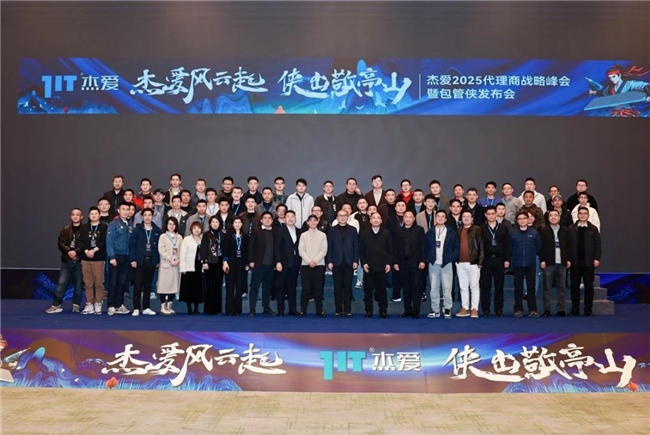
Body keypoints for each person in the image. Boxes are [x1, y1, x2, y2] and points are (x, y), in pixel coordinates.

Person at [46, 208, 85, 314]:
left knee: (79, 285)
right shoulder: (66, 229)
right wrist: (69, 251)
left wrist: (76, 252)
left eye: (77, 215)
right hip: (66, 260)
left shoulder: (84, 229)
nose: (75, 216)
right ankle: (56, 305)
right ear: (71, 216)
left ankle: (76, 305)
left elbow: (85, 244)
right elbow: (60, 242)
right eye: (73, 214)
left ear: (81, 217)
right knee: (61, 284)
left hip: (79, 260)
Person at [425, 210, 459, 319]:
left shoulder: (451, 232)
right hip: (433, 263)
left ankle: (447, 309)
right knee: (434, 288)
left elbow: (456, 248)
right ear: (435, 218)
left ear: (445, 219)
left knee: (447, 288)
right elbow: (425, 246)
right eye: (438, 216)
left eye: (442, 216)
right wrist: (429, 257)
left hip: (446, 263)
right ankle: (435, 310)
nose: (440, 218)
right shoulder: (430, 232)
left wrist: (450, 258)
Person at [568, 207, 602, 317]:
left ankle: (588, 309)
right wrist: (568, 259)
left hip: (589, 263)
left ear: (588, 215)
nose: (583, 215)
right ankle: (575, 309)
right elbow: (567, 245)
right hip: (575, 262)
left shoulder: (593, 229)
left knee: (588, 287)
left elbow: (598, 245)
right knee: (574, 287)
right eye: (581, 213)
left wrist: (596, 258)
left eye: (585, 213)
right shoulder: (571, 228)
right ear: (577, 215)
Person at [392, 211, 427, 319]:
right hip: (402, 264)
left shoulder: (419, 230)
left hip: (416, 263)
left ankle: (416, 311)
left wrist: (423, 260)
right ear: (403, 218)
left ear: (414, 218)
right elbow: (395, 248)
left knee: (416, 288)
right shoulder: (398, 231)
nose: (408, 219)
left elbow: (423, 246)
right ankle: (407, 310)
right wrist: (395, 262)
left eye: (410, 217)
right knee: (406, 288)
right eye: (406, 217)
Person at [479, 206, 511, 317]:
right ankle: (485, 309)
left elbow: (508, 245)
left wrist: (507, 259)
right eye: (489, 214)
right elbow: (479, 246)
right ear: (485, 215)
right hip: (486, 260)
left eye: (493, 213)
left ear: (496, 214)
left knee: (499, 286)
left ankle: (498, 309)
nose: (491, 216)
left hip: (500, 259)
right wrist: (480, 261)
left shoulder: (503, 228)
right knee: (485, 285)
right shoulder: (481, 228)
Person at [128, 208, 161, 316]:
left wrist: (157, 260)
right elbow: (132, 245)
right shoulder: (137, 230)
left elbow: (159, 247)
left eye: (149, 215)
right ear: (142, 217)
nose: (147, 217)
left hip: (151, 261)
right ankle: (136, 308)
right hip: (139, 261)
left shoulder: (157, 230)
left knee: (148, 285)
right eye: (145, 215)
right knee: (138, 285)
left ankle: (146, 307)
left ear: (152, 217)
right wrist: (133, 259)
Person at [326, 209, 359, 317]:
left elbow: (356, 246)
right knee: (337, 287)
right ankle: (338, 310)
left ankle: (348, 310)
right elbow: (329, 247)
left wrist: (355, 260)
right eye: (340, 215)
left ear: (348, 217)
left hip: (349, 262)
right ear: (337, 217)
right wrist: (329, 261)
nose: (342, 217)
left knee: (348, 287)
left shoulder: (353, 230)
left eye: (344, 215)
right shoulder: (331, 230)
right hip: (336, 262)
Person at [360, 212, 393, 318]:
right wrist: (364, 263)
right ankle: (368, 310)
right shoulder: (364, 234)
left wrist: (388, 263)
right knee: (368, 290)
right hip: (368, 266)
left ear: (381, 220)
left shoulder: (386, 233)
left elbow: (390, 250)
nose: (376, 220)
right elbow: (362, 250)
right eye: (373, 218)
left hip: (382, 266)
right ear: (370, 220)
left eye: (378, 218)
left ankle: (383, 310)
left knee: (382, 290)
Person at [539, 209, 571, 317]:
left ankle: (561, 309)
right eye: (551, 216)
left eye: (555, 215)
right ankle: (547, 309)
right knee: (547, 288)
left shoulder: (565, 230)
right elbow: (541, 247)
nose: (553, 217)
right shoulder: (543, 230)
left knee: (562, 288)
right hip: (549, 263)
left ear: (559, 217)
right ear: (548, 218)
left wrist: (568, 259)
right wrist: (542, 260)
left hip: (562, 263)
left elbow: (569, 246)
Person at [510, 211, 542, 318]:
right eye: (520, 219)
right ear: (517, 221)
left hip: (530, 264)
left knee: (531, 288)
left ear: (528, 220)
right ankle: (518, 309)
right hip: (517, 264)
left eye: (524, 218)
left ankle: (533, 309)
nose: (522, 220)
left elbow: (538, 247)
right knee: (518, 288)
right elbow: (510, 247)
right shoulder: (513, 233)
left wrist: (531, 254)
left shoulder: (534, 232)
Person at [78, 207, 108, 315]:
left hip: (98, 258)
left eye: (96, 213)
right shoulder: (84, 227)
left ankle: (98, 303)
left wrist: (94, 250)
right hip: (86, 258)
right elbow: (80, 242)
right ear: (89, 215)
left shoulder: (104, 227)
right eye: (92, 214)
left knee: (99, 283)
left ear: (99, 215)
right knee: (88, 283)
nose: (94, 215)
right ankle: (89, 303)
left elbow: (104, 241)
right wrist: (86, 251)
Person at [455, 210, 484, 318]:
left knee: (474, 286)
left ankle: (474, 309)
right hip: (460, 263)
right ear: (461, 219)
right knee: (463, 287)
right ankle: (465, 308)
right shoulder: (458, 230)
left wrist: (480, 261)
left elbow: (481, 245)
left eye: (468, 216)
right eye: (464, 216)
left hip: (474, 263)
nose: (466, 218)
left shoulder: (477, 229)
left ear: (472, 219)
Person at [248, 212, 277, 316]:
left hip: (270, 264)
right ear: (261, 220)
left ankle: (266, 307)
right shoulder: (256, 231)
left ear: (272, 220)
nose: (267, 220)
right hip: (258, 264)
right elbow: (250, 246)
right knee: (254, 287)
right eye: (265, 218)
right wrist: (251, 260)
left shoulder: (275, 231)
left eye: (269, 218)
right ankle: (252, 309)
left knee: (267, 287)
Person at [105, 202, 132, 316]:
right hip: (116, 256)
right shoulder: (113, 224)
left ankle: (119, 304)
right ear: (119, 211)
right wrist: (111, 256)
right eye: (123, 209)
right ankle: (111, 305)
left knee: (122, 282)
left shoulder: (129, 225)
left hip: (127, 257)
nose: (125, 211)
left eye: (127, 209)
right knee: (113, 282)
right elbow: (109, 240)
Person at [298, 214, 328, 316]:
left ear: (318, 222)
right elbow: (301, 250)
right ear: (307, 222)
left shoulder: (323, 235)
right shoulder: (303, 235)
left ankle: (319, 310)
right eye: (310, 220)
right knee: (305, 289)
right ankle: (303, 310)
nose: (313, 222)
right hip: (305, 265)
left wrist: (315, 261)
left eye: (315, 220)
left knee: (318, 289)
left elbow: (323, 250)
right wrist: (309, 261)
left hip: (319, 265)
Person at [274, 210, 302, 316]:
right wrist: (278, 262)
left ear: (295, 218)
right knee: (281, 287)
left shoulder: (300, 231)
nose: (290, 219)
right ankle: (281, 310)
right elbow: (277, 248)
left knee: (292, 288)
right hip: (283, 263)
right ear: (285, 219)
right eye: (288, 217)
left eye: (292, 216)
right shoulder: (280, 231)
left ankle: (292, 309)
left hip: (295, 264)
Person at [201, 217, 227, 315]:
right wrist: (204, 261)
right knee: (210, 285)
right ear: (210, 224)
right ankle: (209, 309)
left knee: (218, 285)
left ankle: (217, 309)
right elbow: (203, 248)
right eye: (213, 222)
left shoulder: (223, 235)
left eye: (217, 222)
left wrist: (225, 261)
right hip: (210, 262)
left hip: (220, 263)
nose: (215, 224)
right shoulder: (206, 235)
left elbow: (225, 249)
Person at [157, 217, 183, 315]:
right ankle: (163, 306)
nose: (171, 226)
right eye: (170, 224)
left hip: (176, 264)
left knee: (173, 285)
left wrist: (178, 260)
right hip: (166, 263)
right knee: (163, 286)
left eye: (173, 224)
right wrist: (169, 258)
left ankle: (170, 305)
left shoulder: (179, 237)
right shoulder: (163, 236)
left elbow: (182, 250)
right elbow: (161, 249)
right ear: (166, 225)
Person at [180, 221, 205, 315]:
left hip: (200, 267)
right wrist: (183, 268)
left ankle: (196, 308)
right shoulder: (187, 239)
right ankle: (189, 308)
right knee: (189, 288)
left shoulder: (204, 239)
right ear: (191, 230)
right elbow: (183, 254)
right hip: (189, 267)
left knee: (198, 288)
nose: (196, 230)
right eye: (194, 228)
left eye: (198, 228)